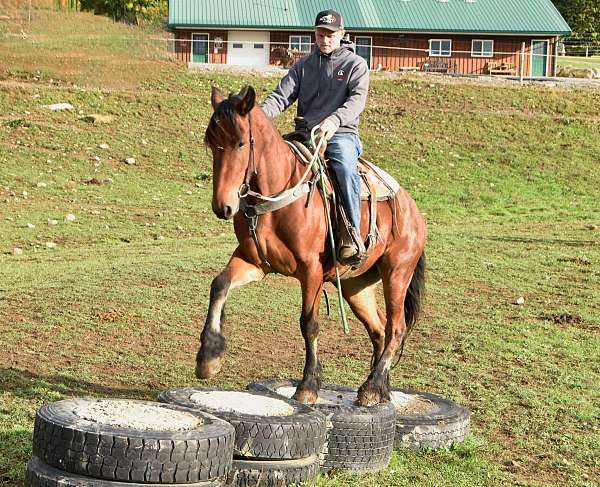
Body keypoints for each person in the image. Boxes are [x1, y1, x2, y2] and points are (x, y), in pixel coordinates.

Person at [261, 9, 370, 264]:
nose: (325, 39)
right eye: (321, 34)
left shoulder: (355, 65)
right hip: (305, 133)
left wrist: (333, 121)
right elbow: (281, 96)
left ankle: (351, 234)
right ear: (315, 34)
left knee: (344, 167)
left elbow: (357, 100)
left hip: (341, 134)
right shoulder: (303, 67)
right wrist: (257, 117)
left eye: (331, 34)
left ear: (341, 35)